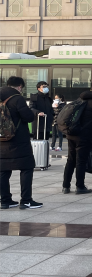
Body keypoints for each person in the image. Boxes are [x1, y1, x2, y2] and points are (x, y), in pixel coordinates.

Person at [0, 77, 42, 210]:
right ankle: (26, 200)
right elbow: (28, 117)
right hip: (18, 140)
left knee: (3, 170)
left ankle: (5, 201)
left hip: (1, 141)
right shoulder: (17, 99)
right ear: (19, 86)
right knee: (27, 168)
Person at [62, 82, 92, 195]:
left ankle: (65, 186)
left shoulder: (80, 99)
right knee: (81, 161)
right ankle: (80, 186)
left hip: (71, 133)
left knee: (71, 160)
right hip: (84, 135)